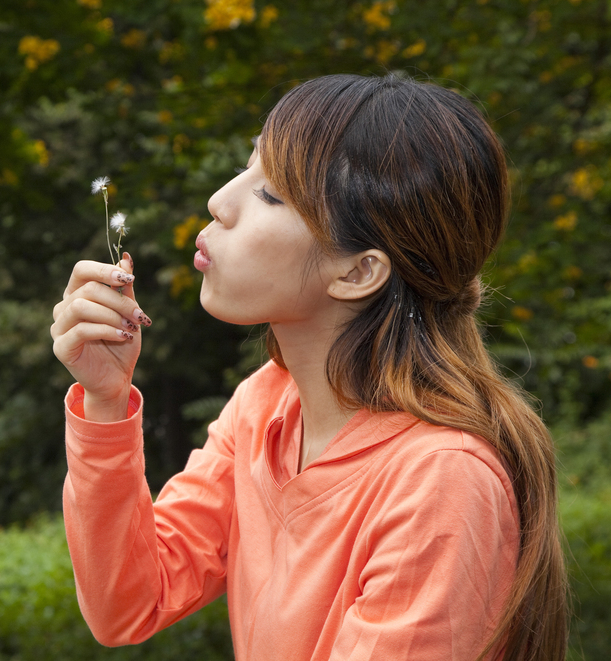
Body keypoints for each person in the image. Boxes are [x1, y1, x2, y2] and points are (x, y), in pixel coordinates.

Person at [50, 73, 568, 660]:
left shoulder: (441, 482)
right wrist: (105, 402)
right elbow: (131, 602)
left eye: (271, 194)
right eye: (246, 167)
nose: (220, 201)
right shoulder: (266, 404)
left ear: (356, 272)